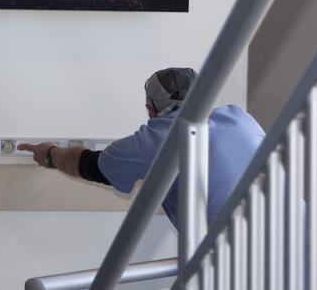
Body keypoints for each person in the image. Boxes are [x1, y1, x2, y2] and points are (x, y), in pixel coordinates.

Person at [18, 67, 265, 231]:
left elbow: (87, 165)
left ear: (150, 109)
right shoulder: (239, 118)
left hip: (241, 254)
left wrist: (50, 153)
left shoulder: (154, 140)